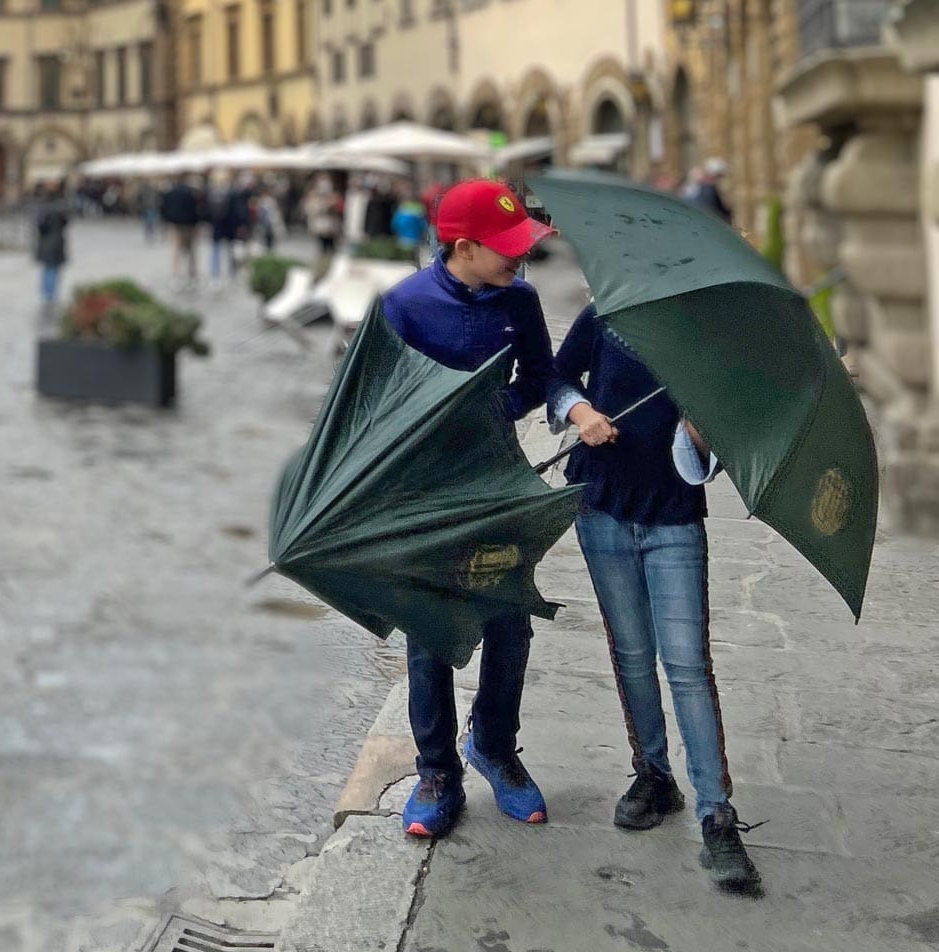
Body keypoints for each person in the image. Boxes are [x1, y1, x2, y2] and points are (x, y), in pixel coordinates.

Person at [381, 179, 608, 840]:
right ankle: (436, 771)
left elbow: (538, 374)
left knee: (510, 616)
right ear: (464, 246)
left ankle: (496, 746)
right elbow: (374, 402)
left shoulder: (521, 299)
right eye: (505, 247)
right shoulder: (405, 305)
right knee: (429, 629)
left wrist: (497, 410)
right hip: (425, 490)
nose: (520, 257)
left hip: (499, 478)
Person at [549, 303, 763, 896]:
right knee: (633, 655)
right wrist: (582, 410)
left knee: (689, 667)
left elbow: (722, 439)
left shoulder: (709, 334)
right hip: (600, 507)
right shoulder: (606, 315)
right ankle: (654, 775)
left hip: (673, 518)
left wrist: (701, 432)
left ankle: (716, 815)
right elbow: (556, 376)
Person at [160, 175, 202, 289]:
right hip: (189, 225)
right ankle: (191, 274)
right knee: (191, 251)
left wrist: (167, 220)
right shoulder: (190, 193)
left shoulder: (170, 193)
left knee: (175, 250)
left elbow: (164, 208)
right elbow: (194, 210)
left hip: (174, 225)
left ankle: (175, 275)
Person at [34, 182, 69, 312]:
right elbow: (66, 222)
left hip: (46, 242)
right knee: (54, 269)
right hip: (57, 241)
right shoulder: (61, 208)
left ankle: (47, 294)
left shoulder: (43, 208)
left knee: (47, 269)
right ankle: (52, 295)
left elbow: (39, 225)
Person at [302, 175, 343, 256]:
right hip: (320, 225)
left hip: (331, 226)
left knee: (331, 245)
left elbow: (339, 209)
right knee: (322, 245)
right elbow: (309, 209)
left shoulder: (334, 196)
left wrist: (331, 206)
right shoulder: (314, 195)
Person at [685, 158, 732, 224]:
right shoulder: (708, 189)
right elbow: (711, 208)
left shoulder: (701, 187)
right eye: (719, 176)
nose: (719, 180)